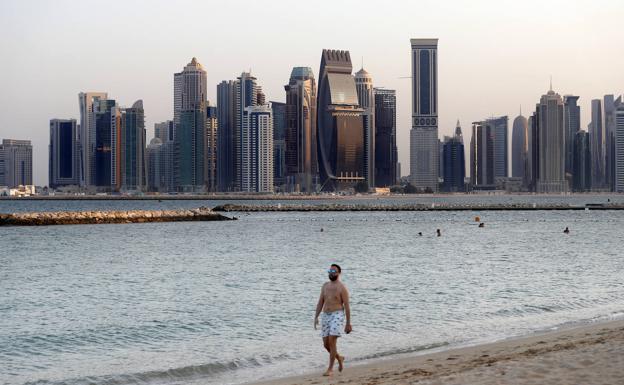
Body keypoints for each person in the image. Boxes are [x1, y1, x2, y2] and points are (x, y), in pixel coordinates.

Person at [314, 264, 352, 377]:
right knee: (326, 344)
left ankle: (330, 369)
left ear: (339, 273)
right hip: (325, 315)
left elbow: (347, 306)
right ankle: (339, 358)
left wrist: (348, 324)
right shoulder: (325, 286)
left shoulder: (342, 287)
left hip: (337, 314)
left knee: (332, 340)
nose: (332, 272)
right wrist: (316, 317)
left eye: (334, 271)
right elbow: (320, 302)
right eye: (330, 270)